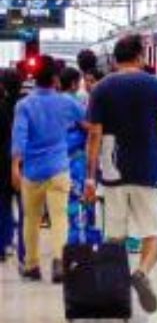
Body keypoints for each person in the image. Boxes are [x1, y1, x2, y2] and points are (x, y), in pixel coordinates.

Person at [84, 36, 157, 312]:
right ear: (141, 57)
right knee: (154, 233)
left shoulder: (101, 88)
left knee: (114, 236)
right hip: (148, 170)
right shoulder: (156, 86)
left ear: (115, 60)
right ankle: (141, 273)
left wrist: (90, 179)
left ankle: (115, 296)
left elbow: (94, 134)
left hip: (112, 172)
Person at [11, 57, 85, 283]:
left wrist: (15, 167)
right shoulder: (67, 102)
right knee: (59, 217)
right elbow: (87, 121)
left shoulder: (24, 105)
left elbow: (19, 139)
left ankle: (32, 266)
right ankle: (59, 263)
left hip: (32, 171)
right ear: (55, 79)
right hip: (59, 169)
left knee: (31, 219)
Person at [60, 67, 91, 245]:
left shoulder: (54, 101)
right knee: (77, 197)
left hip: (57, 158)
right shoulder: (74, 102)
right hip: (75, 157)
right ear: (73, 84)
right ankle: (76, 237)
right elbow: (88, 126)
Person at [0, 69, 19, 262]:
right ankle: (21, 248)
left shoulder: (3, 107)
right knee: (25, 209)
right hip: (23, 163)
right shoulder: (23, 104)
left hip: (3, 163)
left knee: (3, 205)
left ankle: (3, 244)